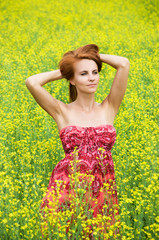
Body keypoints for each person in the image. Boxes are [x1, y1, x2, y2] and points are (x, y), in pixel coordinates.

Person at [25, 44, 130, 238]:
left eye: (95, 72)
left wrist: (90, 57)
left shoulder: (109, 107)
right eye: (83, 74)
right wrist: (67, 70)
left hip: (102, 189)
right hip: (66, 186)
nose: (91, 78)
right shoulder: (61, 111)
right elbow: (32, 82)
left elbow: (123, 64)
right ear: (72, 80)